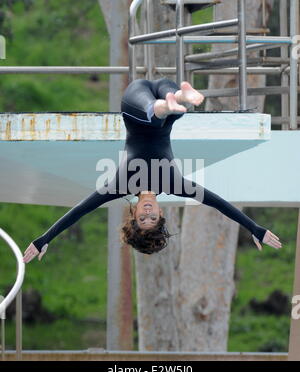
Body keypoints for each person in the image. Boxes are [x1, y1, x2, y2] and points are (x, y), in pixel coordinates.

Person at [23, 77, 282, 263]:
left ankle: (172, 103)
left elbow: (79, 210)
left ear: (133, 213)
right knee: (173, 112)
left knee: (156, 114)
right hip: (165, 95)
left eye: (141, 220)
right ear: (160, 213)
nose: (147, 215)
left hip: (136, 104)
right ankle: (180, 97)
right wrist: (254, 229)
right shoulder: (173, 184)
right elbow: (219, 203)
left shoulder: (120, 186)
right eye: (153, 219)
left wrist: (44, 238)